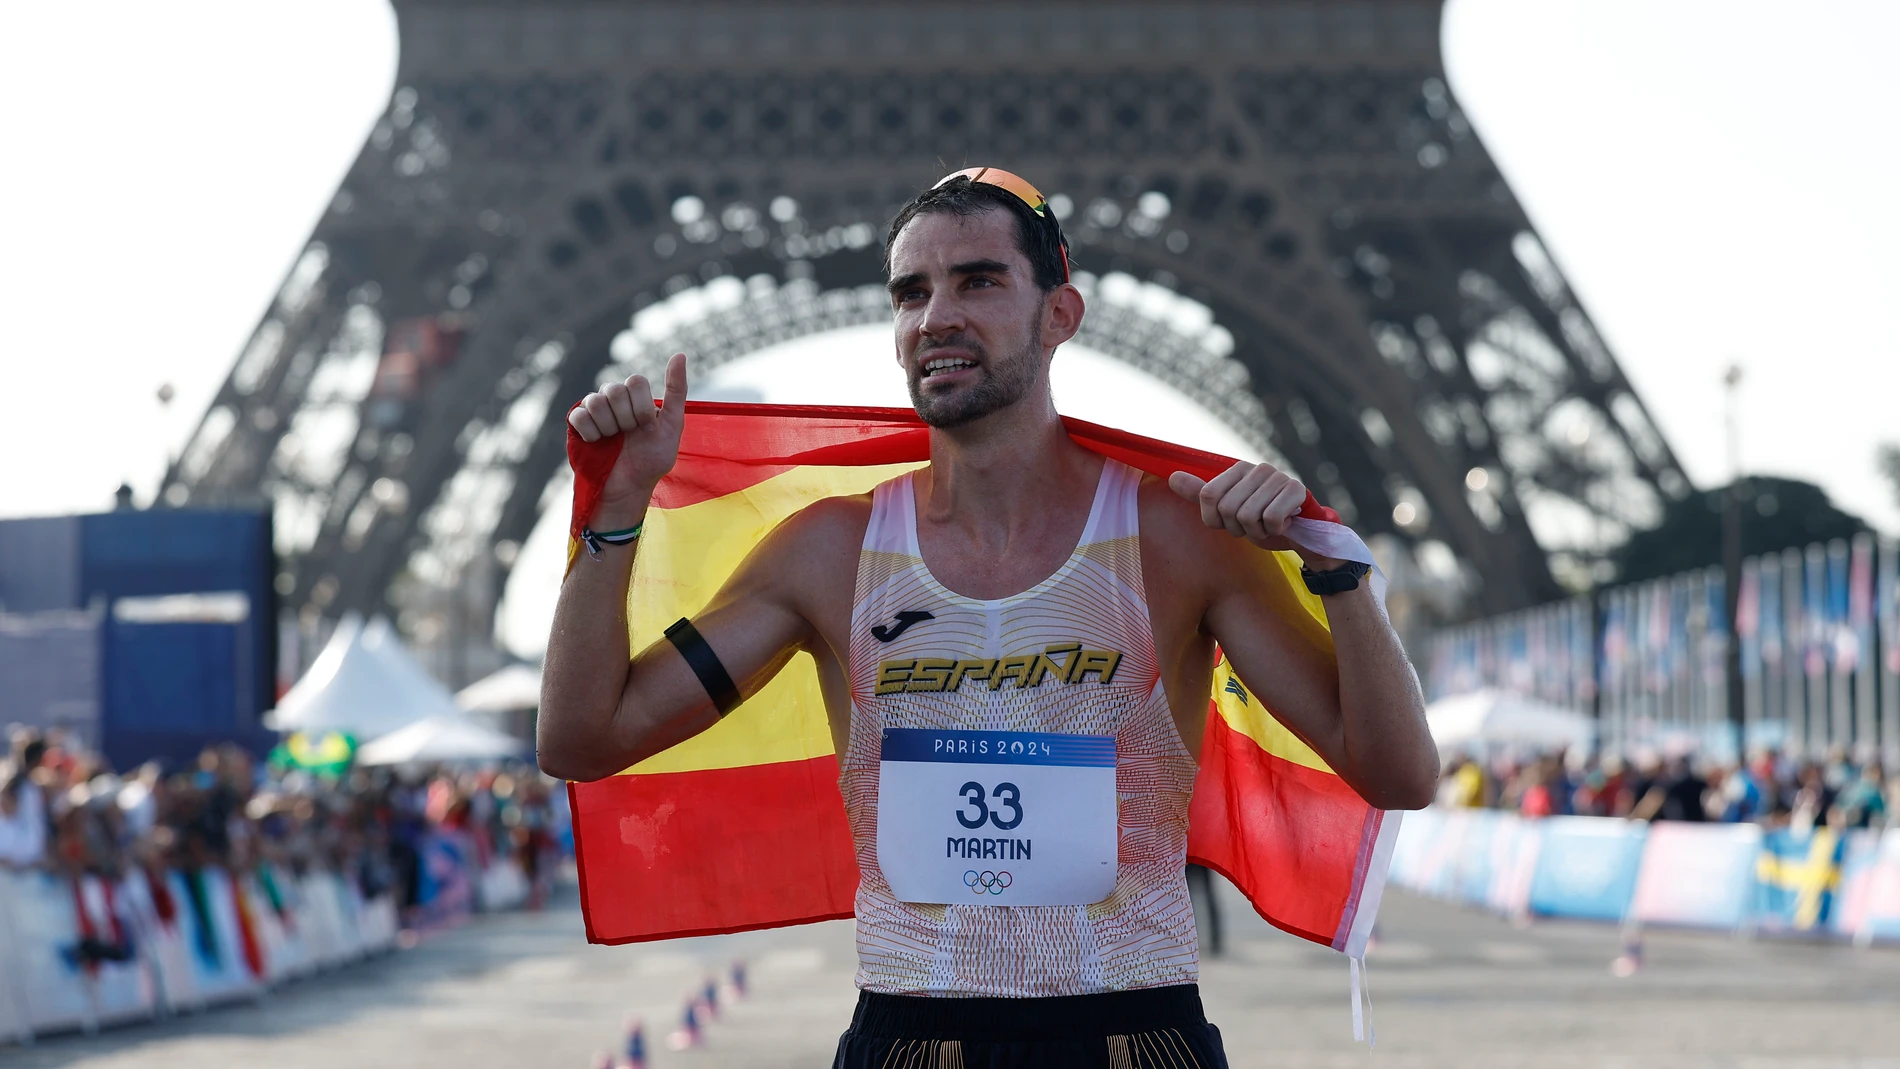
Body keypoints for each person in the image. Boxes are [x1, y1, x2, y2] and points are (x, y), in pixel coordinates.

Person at [541, 167, 1438, 1068]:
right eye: (910, 293)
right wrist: (614, 510)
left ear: (1061, 313)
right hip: (910, 1035)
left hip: (1133, 1030)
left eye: (978, 280)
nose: (936, 317)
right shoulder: (827, 552)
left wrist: (1338, 572)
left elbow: (1396, 772)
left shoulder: (1178, 537)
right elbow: (582, 739)